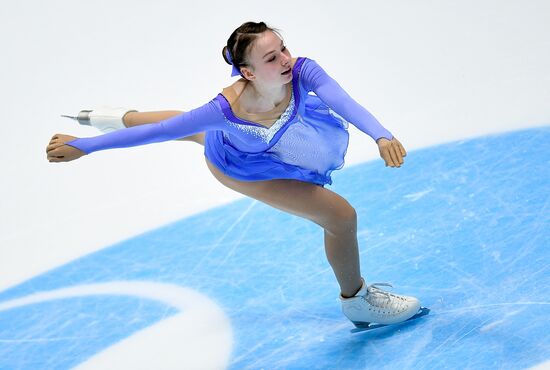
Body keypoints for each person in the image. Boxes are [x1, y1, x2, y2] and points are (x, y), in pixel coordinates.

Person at [46, 21, 422, 328]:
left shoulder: (303, 70)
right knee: (340, 217)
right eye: (272, 58)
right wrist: (83, 147)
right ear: (248, 72)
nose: (286, 60)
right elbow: (160, 133)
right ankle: (356, 300)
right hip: (239, 168)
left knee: (185, 124)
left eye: (284, 50)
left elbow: (342, 100)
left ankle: (108, 116)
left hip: (259, 146)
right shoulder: (226, 108)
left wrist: (381, 134)